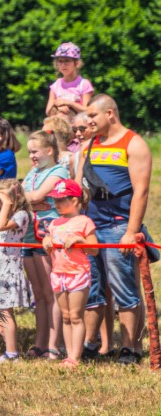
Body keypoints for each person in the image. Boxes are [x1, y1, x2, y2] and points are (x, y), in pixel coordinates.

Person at [81, 94, 154, 366]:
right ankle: (90, 343)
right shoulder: (91, 144)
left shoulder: (134, 144)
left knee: (124, 289)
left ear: (110, 114)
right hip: (91, 226)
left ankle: (129, 348)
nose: (88, 121)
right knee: (93, 288)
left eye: (93, 116)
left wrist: (131, 230)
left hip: (118, 226)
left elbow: (141, 192)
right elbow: (81, 189)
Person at [22, 130, 68, 359]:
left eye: (34, 151)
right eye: (29, 152)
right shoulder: (33, 172)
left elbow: (33, 195)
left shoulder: (58, 171)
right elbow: (28, 197)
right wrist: (31, 200)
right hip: (29, 235)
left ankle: (53, 343)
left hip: (47, 235)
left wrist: (29, 199)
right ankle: (40, 341)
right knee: (38, 293)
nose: (31, 156)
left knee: (51, 293)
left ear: (49, 151)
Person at [42, 180, 98, 368]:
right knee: (65, 316)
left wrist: (80, 240)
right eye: (55, 200)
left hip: (77, 274)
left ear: (75, 201)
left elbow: (94, 250)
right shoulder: (55, 223)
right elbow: (49, 243)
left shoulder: (84, 222)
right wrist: (47, 241)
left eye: (61, 200)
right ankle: (68, 353)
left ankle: (76, 356)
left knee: (75, 316)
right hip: (58, 273)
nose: (56, 204)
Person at [0, 179, 32, 362]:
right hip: (0, 271)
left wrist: (7, 203)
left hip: (10, 270)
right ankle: (8, 349)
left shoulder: (21, 215)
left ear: (13, 198)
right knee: (2, 310)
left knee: (6, 312)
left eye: (4, 198)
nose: (0, 202)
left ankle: (12, 353)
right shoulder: (6, 215)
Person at [46, 42, 93, 120]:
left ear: (77, 63)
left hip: (78, 129)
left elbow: (88, 111)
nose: (63, 65)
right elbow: (48, 112)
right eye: (60, 61)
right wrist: (57, 107)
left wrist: (69, 103)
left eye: (67, 61)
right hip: (59, 127)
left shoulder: (84, 84)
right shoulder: (56, 85)